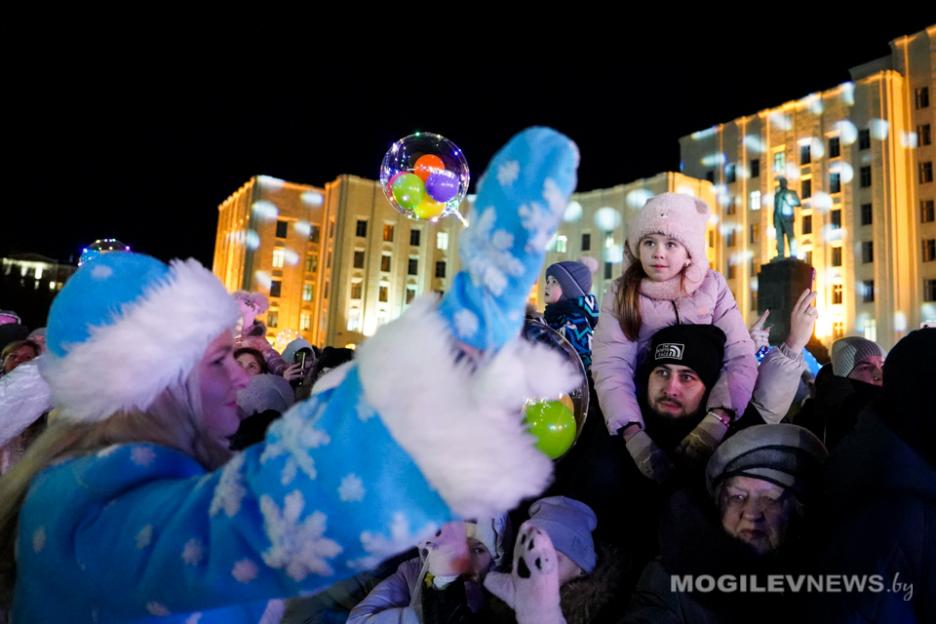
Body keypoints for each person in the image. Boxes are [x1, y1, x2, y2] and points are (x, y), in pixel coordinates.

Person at [0, 126, 582, 622]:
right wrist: (469, 318)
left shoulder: (97, 485)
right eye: (218, 360)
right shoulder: (100, 511)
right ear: (150, 381)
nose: (240, 377)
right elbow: (272, 515)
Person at [592, 192, 756, 482]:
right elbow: (612, 364)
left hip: (702, 410)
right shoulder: (622, 292)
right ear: (636, 247)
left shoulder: (713, 286)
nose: (658, 253)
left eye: (671, 243)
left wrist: (718, 418)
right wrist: (631, 431)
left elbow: (739, 355)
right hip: (646, 412)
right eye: (649, 242)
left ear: (689, 251)